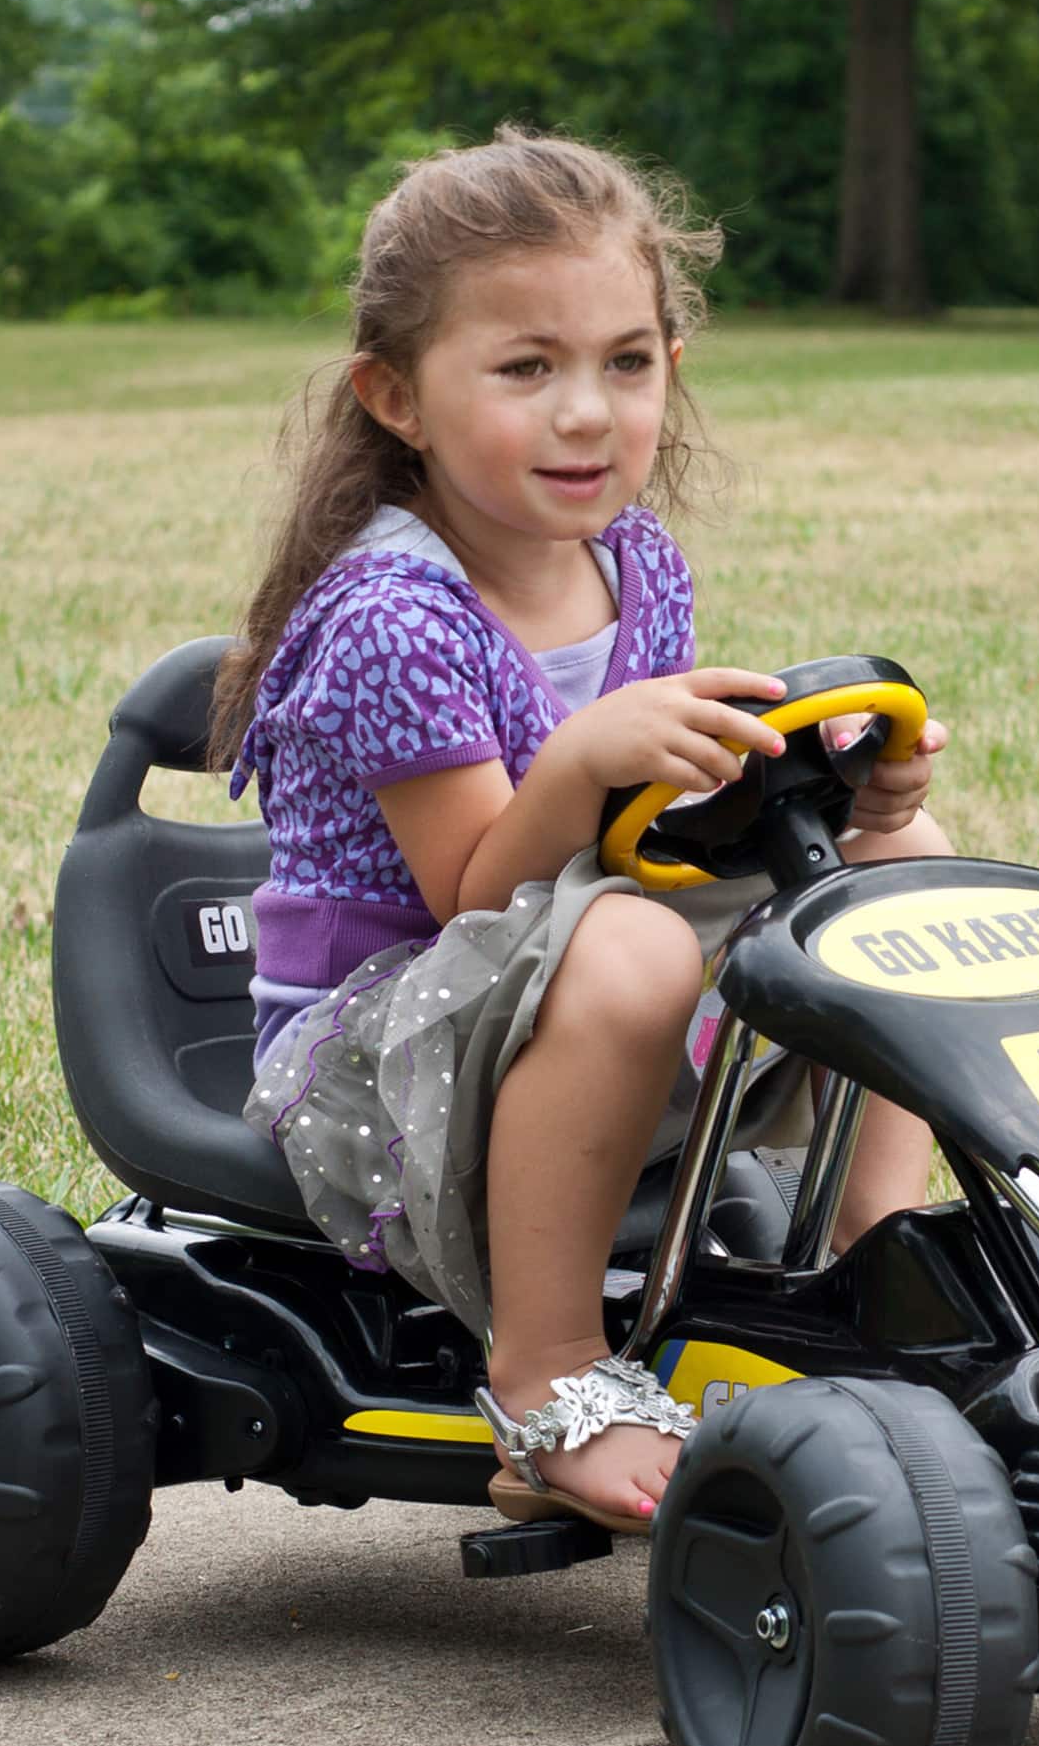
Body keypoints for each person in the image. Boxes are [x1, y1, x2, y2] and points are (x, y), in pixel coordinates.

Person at [210, 126, 952, 1536]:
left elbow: (656, 830)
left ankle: (879, 1253)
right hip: (379, 1051)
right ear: (397, 397)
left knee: (898, 883)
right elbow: (476, 892)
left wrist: (843, 800)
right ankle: (549, 1376)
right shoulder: (393, 618)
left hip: (569, 970)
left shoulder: (639, 564)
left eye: (627, 361)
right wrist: (580, 767)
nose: (587, 413)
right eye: (526, 368)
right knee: (622, 948)